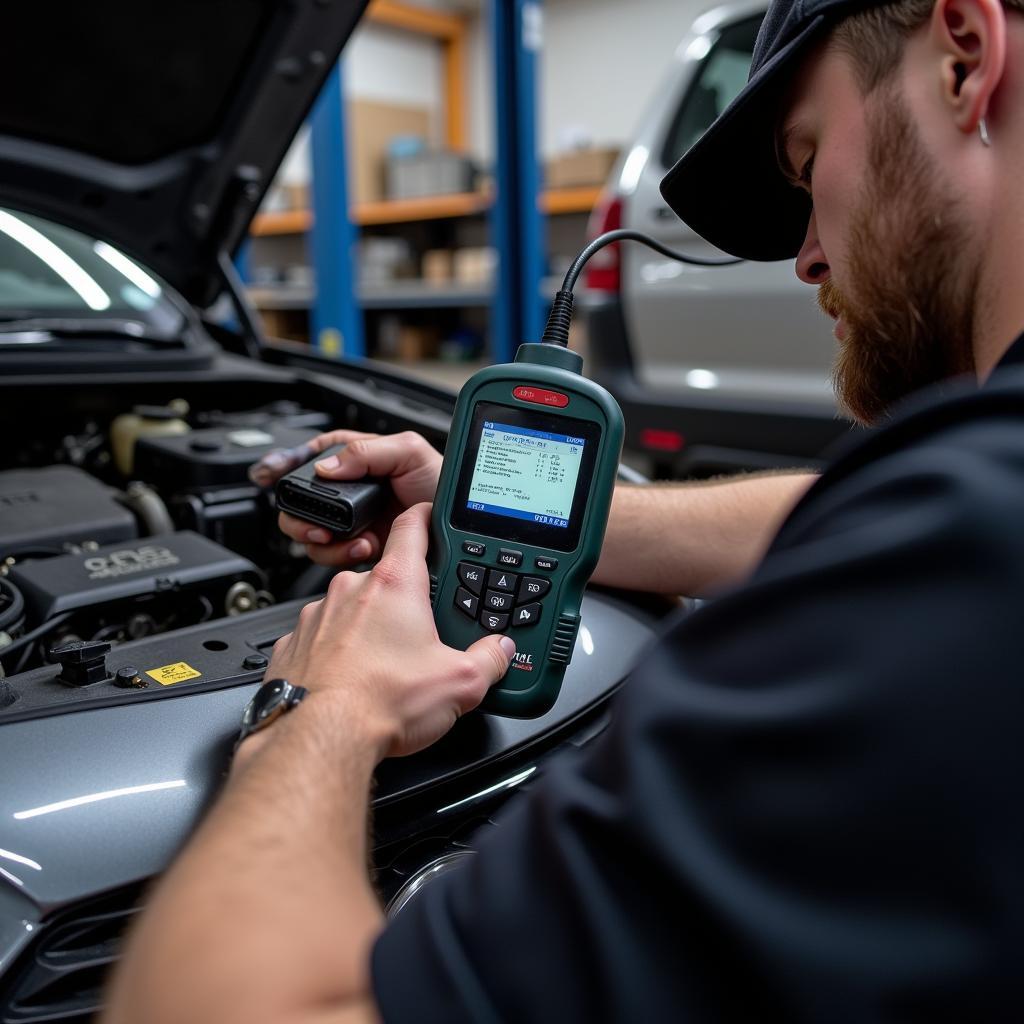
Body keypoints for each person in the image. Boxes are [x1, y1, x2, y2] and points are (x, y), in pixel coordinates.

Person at [103, 0, 1024, 1019]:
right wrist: (512, 512)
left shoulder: (966, 553)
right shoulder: (963, 501)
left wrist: (320, 711)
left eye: (806, 166)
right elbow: (844, 509)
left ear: (966, 57)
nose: (806, 254)